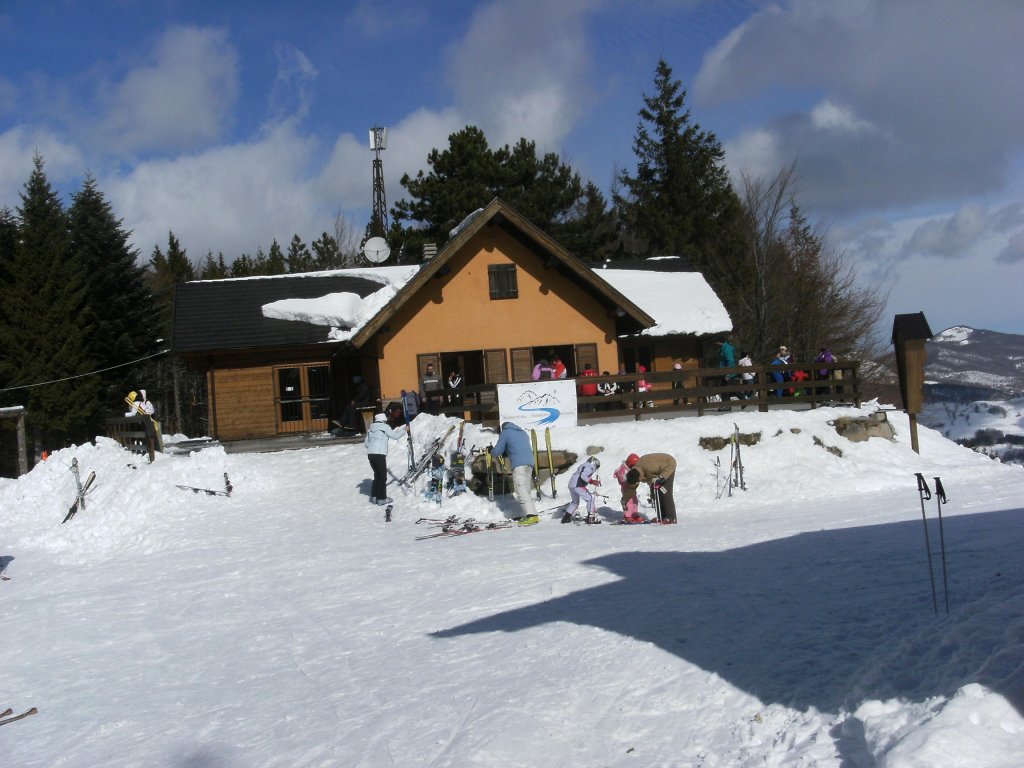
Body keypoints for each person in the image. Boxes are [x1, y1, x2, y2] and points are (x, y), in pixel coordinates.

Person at [490, 422, 538, 520]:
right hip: (530, 463)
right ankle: (529, 513)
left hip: (519, 464)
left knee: (520, 489)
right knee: (526, 489)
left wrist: (491, 450)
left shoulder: (506, 432)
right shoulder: (523, 433)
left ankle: (531, 515)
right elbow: (516, 447)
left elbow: (497, 451)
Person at [365, 412, 408, 505]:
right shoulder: (385, 427)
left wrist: (373, 447)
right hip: (379, 454)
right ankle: (381, 498)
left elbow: (366, 444)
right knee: (382, 477)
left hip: (370, 454)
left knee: (377, 475)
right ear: (384, 420)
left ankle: (374, 497)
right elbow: (395, 436)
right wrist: (405, 430)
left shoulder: (371, 429)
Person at [632, 452, 678, 523]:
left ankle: (671, 517)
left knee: (665, 491)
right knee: (657, 492)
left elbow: (669, 466)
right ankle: (661, 517)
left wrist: (661, 477)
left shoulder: (647, 466)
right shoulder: (637, 470)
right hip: (659, 470)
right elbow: (648, 477)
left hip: (669, 465)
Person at [561, 456, 602, 523]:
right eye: (597, 466)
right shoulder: (590, 467)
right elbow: (583, 476)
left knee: (575, 502)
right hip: (577, 485)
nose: (596, 469)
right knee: (590, 499)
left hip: (572, 485)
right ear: (594, 463)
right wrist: (592, 481)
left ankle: (565, 518)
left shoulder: (584, 465)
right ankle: (591, 518)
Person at [613, 455, 646, 523]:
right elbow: (622, 478)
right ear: (628, 463)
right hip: (626, 488)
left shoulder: (631, 469)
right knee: (628, 501)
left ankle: (634, 514)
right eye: (632, 465)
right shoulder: (623, 468)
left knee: (635, 501)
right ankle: (627, 515)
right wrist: (629, 479)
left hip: (632, 488)